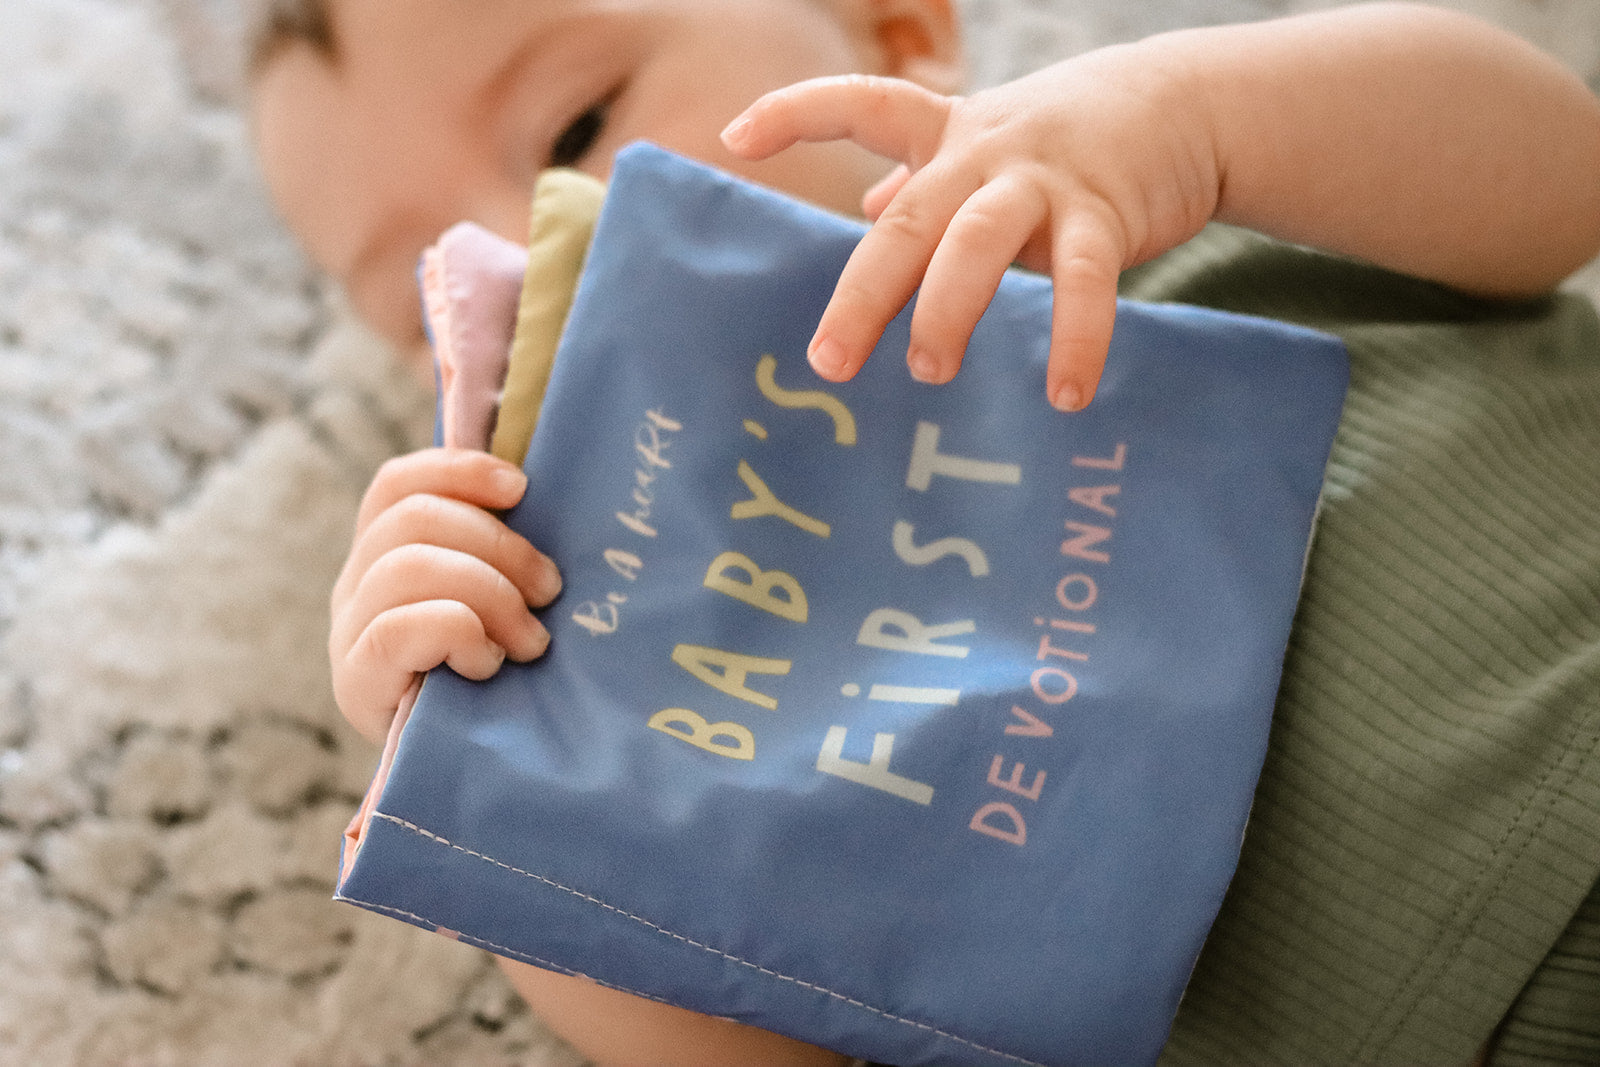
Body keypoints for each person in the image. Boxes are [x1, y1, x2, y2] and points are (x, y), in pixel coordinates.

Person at [249, 1, 1600, 1064]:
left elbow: (1563, 180)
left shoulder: (1146, 232)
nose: (533, 246)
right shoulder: (635, 658)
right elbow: (755, 1043)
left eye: (573, 125)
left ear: (896, 30)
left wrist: (1187, 122)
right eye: (425, 289)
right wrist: (486, 756)